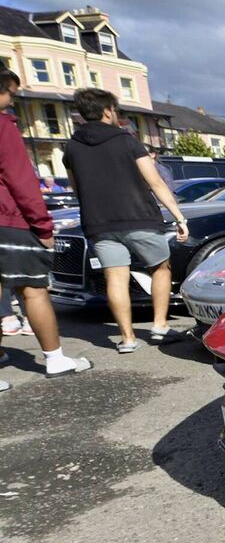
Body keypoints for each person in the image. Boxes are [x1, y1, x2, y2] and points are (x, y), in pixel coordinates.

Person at [64, 88, 189, 353]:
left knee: (115, 278)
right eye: (114, 110)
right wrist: (179, 217)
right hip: (139, 217)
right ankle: (160, 325)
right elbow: (155, 181)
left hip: (99, 223)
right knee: (160, 267)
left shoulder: (72, 147)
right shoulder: (127, 141)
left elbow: (77, 189)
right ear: (107, 111)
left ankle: (127, 338)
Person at [0, 68, 92, 389]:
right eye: (11, 95)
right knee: (33, 289)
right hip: (8, 222)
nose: (12, 102)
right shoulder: (4, 127)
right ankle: (55, 358)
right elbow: (20, 180)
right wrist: (43, 226)